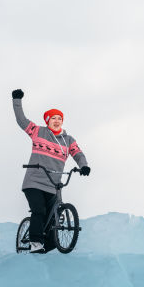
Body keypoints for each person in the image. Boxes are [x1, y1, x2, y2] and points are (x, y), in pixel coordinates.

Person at [12, 88, 90, 253]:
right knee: (39, 210)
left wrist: (84, 166)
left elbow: (78, 153)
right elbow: (21, 120)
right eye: (53, 118)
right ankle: (34, 243)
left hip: (53, 184)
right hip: (34, 181)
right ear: (47, 120)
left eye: (59, 118)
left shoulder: (68, 140)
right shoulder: (38, 132)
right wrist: (17, 100)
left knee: (55, 221)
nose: (56, 121)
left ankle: (43, 251)